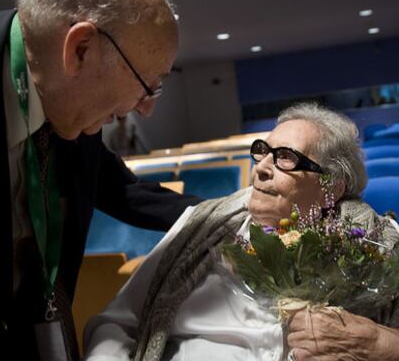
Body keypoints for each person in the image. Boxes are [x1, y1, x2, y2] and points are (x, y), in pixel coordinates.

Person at [0, 0, 201, 360]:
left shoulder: (72, 102)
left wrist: (236, 213)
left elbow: (125, 191)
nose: (147, 108)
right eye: (147, 84)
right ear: (80, 49)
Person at [84, 103, 399, 361]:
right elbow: (116, 323)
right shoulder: (203, 226)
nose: (261, 166)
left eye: (286, 158)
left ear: (330, 186)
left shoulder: (373, 247)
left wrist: (382, 344)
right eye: (262, 151)